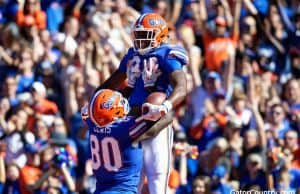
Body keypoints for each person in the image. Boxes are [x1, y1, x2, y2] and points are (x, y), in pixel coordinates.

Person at [95, 13, 188, 194]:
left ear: (159, 36)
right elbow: (111, 84)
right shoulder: (132, 54)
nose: (139, 40)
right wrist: (95, 101)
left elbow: (182, 87)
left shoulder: (167, 53)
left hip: (155, 119)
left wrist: (165, 106)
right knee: (133, 178)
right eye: (138, 35)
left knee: (157, 177)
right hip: (131, 119)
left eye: (145, 35)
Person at [81, 89, 172, 194]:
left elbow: (86, 113)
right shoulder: (125, 128)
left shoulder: (92, 124)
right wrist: (164, 109)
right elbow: (159, 124)